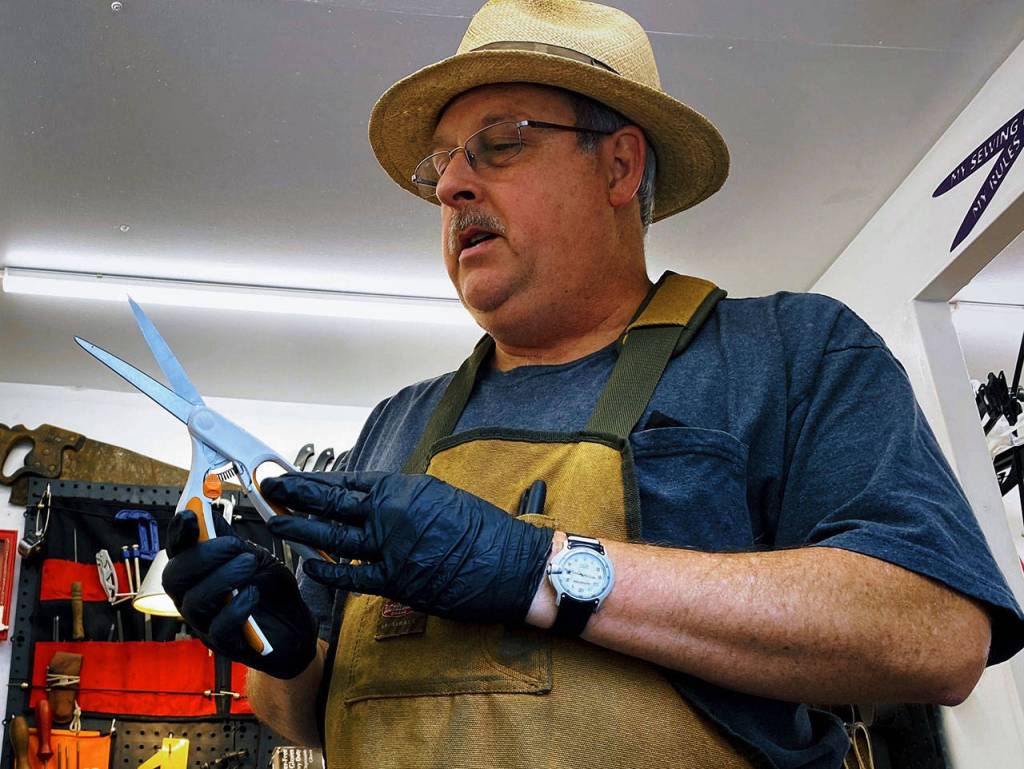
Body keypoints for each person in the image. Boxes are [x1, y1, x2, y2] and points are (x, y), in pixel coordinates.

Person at [162, 1, 1024, 767]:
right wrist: (274, 649)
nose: (454, 184)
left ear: (618, 167)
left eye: (500, 143)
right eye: (442, 167)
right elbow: (305, 718)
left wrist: (539, 567)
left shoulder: (789, 352)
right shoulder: (395, 426)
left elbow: (939, 632)